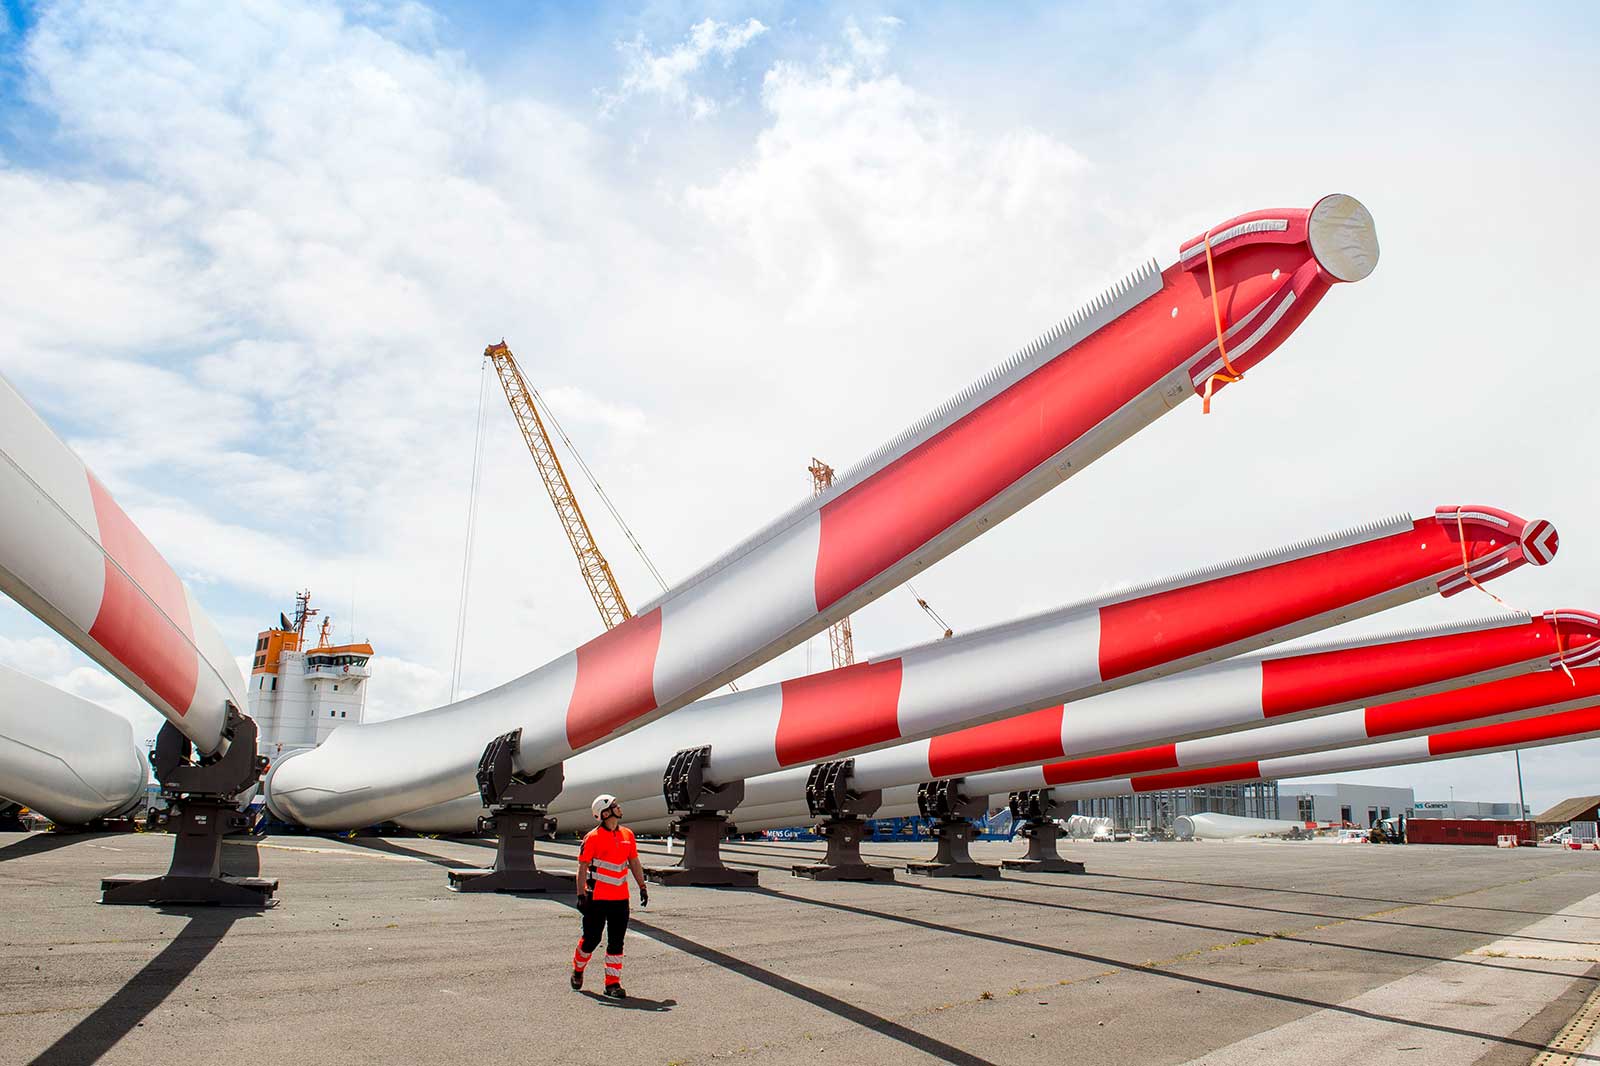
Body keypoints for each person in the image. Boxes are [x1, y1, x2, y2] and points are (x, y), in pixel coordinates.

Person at [572, 793, 649, 999]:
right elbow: (582, 867)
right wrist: (581, 895)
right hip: (596, 899)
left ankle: (612, 984)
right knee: (591, 940)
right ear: (605, 813)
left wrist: (642, 886)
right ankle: (578, 970)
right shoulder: (593, 838)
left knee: (617, 942)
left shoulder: (628, 835)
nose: (619, 807)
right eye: (615, 805)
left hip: (620, 899)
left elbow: (634, 861)